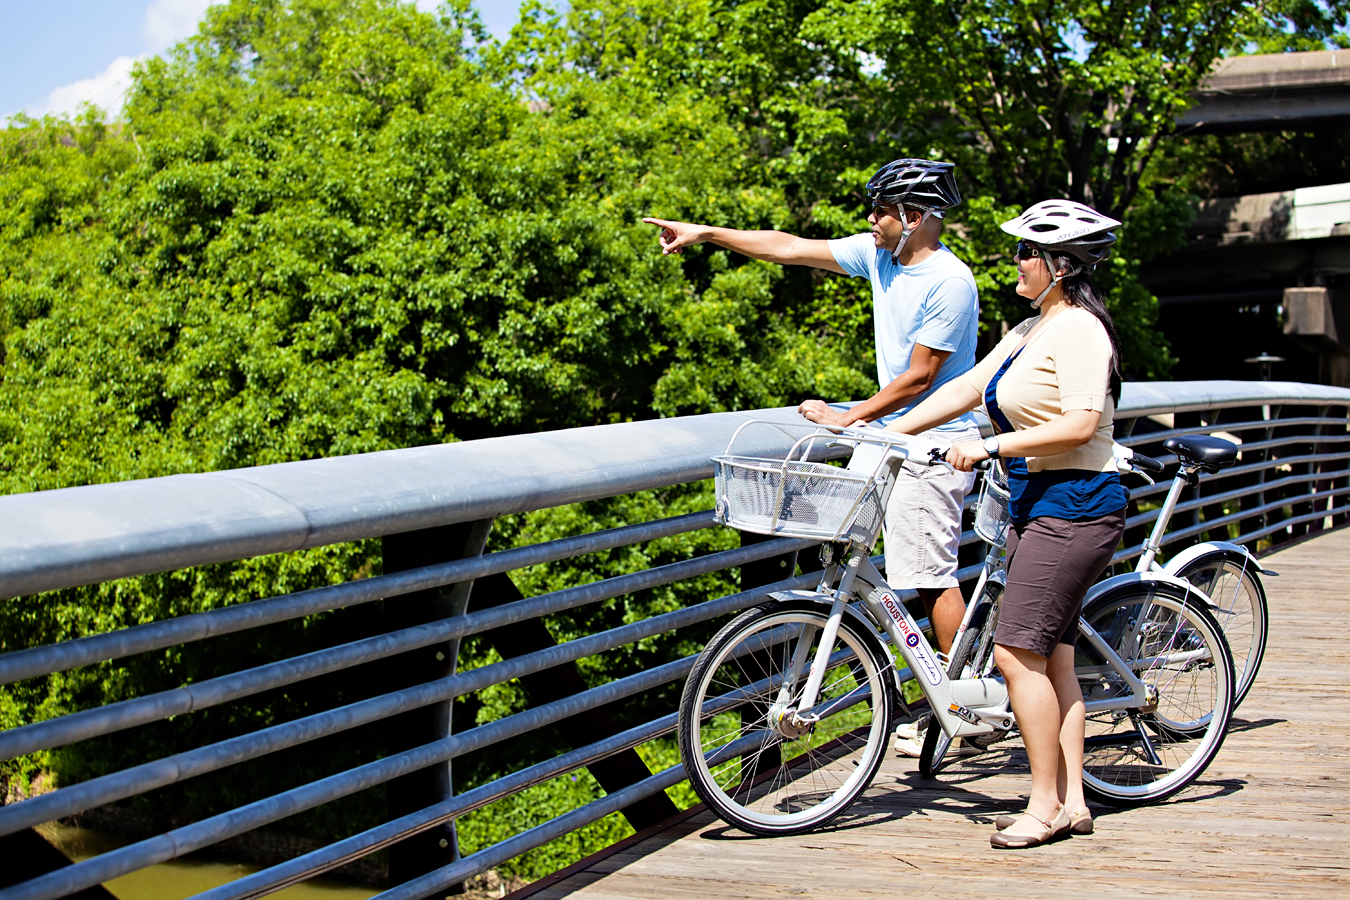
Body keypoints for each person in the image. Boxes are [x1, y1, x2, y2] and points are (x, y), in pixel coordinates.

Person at [644, 160, 980, 757]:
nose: (870, 219)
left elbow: (921, 376)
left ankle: (962, 709)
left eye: (880, 210)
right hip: (885, 438)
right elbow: (790, 247)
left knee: (926, 578)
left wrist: (850, 416)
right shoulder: (880, 256)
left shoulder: (949, 282)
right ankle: (898, 682)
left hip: (933, 443)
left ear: (916, 217)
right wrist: (707, 233)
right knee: (845, 551)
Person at [885, 199, 1129, 849]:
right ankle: (1073, 800)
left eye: (1026, 252)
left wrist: (990, 448)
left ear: (1061, 265)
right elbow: (964, 392)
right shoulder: (1030, 332)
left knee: (1015, 653)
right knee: (1054, 659)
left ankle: (1043, 805)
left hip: (1074, 504)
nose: (1015, 262)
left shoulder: (1079, 330)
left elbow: (1080, 424)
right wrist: (872, 427)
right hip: (1037, 502)